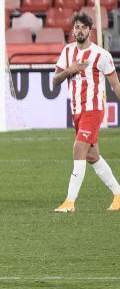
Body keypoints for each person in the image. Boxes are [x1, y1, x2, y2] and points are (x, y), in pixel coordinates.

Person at [51, 12, 120, 212]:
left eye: (83, 27)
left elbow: (115, 84)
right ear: (73, 30)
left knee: (78, 149)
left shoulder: (101, 55)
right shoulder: (67, 51)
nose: (80, 30)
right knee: (92, 156)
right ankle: (118, 194)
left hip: (93, 109)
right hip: (77, 111)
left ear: (90, 30)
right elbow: (55, 80)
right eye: (77, 27)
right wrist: (70, 70)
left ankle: (70, 202)